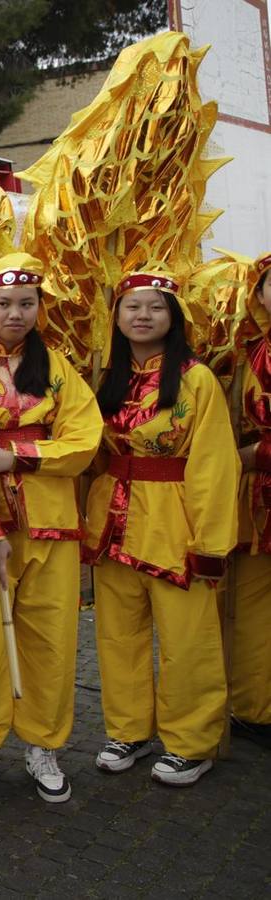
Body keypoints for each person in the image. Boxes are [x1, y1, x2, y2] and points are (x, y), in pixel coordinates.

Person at [0, 253, 102, 805]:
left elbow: (84, 439)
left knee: (52, 637)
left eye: (27, 303)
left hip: (50, 520)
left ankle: (45, 743)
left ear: (40, 307)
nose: (15, 313)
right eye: (4, 303)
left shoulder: (57, 366)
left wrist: (14, 456)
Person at [86, 268, 237, 786]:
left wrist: (211, 542)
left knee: (187, 638)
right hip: (112, 522)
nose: (142, 315)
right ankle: (128, 729)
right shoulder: (104, 375)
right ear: (117, 315)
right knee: (117, 636)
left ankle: (192, 741)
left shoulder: (195, 379)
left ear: (173, 318)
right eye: (132, 306)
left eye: (154, 307)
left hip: (176, 522)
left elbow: (215, 464)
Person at [232, 252, 271, 737]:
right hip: (253, 499)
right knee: (250, 606)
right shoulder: (247, 352)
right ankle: (253, 709)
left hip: (254, 468)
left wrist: (254, 453)